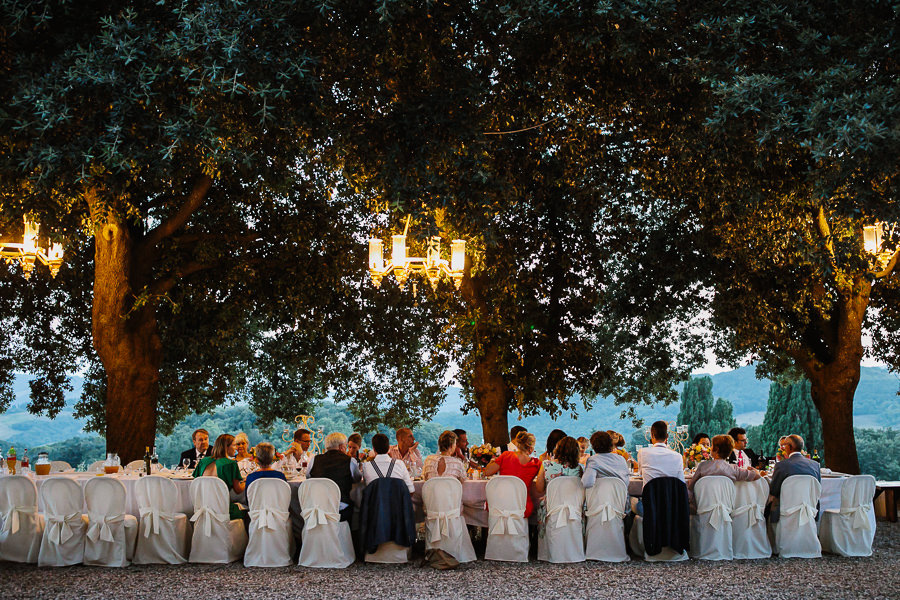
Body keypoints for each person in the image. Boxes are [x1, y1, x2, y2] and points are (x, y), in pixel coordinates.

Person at [687, 435, 761, 512]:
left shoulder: (703, 466)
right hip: (726, 509)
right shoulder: (733, 469)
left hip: (703, 508)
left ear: (716, 449)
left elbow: (691, 487)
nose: (710, 448)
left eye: (712, 445)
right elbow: (757, 476)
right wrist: (754, 470)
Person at [483, 431, 541, 517]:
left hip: (499, 504)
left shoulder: (506, 455)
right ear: (531, 448)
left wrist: (492, 462)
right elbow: (540, 486)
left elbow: (487, 472)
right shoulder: (536, 464)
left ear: (518, 445)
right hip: (521, 506)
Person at [307, 432, 362, 522]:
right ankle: (349, 534)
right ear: (341, 447)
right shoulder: (350, 461)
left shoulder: (314, 459)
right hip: (340, 506)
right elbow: (357, 479)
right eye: (345, 446)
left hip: (317, 505)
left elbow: (308, 479)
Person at [534, 436, 583, 537]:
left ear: (558, 449)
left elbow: (539, 489)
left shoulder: (546, 465)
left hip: (552, 509)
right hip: (574, 509)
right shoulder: (579, 468)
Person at [633, 421, 685, 516]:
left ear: (652, 435)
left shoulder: (642, 453)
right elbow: (681, 483)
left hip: (650, 508)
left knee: (631, 499)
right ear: (667, 437)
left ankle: (636, 530)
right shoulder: (678, 456)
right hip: (672, 508)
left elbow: (640, 473)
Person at [766, 434, 821, 523]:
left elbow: (774, 491)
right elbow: (817, 490)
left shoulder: (781, 465)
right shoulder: (815, 465)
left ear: (789, 447)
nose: (783, 448)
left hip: (786, 510)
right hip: (809, 509)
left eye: (784, 445)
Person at [192, 433, 246, 521]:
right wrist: (246, 482)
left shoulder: (203, 461)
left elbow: (196, 484)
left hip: (204, 509)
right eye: (234, 445)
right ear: (226, 447)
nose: (236, 448)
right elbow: (238, 490)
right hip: (223, 510)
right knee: (247, 511)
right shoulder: (231, 464)